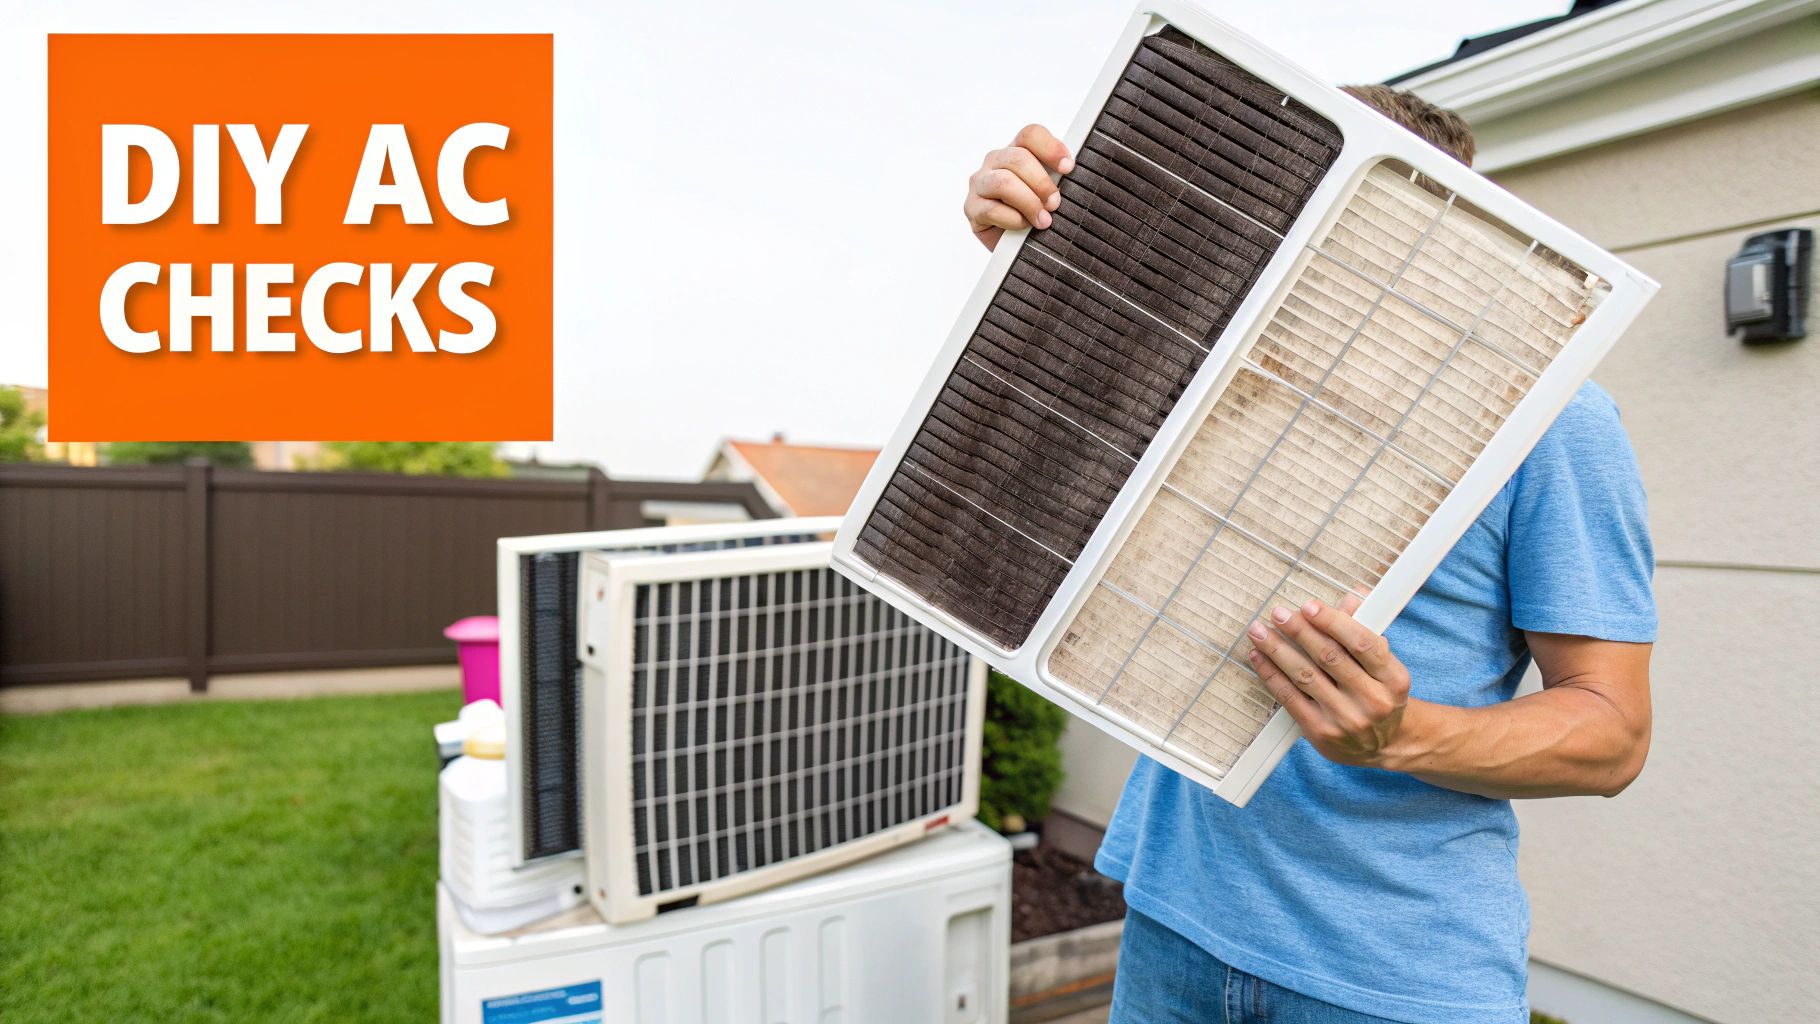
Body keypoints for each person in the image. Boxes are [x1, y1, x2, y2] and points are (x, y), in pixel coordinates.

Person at [963, 86, 1655, 1024]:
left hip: (1388, 974)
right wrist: (1034, 256)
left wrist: (1401, 736)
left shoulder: (1556, 422)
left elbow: (1613, 734)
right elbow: (1031, 454)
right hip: (1172, 921)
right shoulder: (1216, 363)